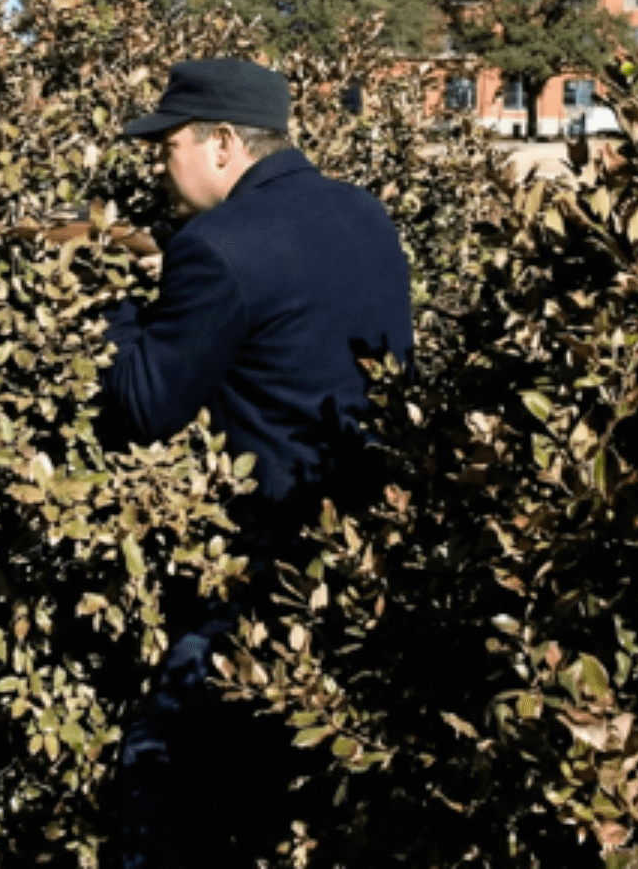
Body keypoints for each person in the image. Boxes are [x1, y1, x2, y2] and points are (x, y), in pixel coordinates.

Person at [98, 57, 414, 868]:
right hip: (368, 565)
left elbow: (142, 408)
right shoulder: (366, 214)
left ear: (223, 142)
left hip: (263, 573)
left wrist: (123, 310)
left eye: (167, 145)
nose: (158, 166)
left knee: (155, 781)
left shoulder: (213, 245)